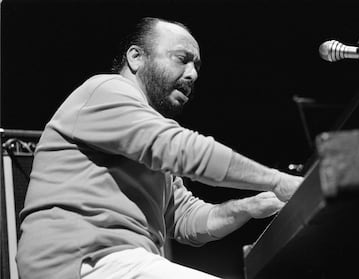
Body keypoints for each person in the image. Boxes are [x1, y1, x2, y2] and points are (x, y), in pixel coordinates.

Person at [16, 17, 302, 279]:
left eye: (197, 66)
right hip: (78, 260)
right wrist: (278, 180)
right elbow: (184, 150)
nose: (192, 74)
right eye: (182, 59)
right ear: (136, 57)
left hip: (116, 262)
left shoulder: (144, 133)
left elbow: (185, 219)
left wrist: (249, 206)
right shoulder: (106, 90)